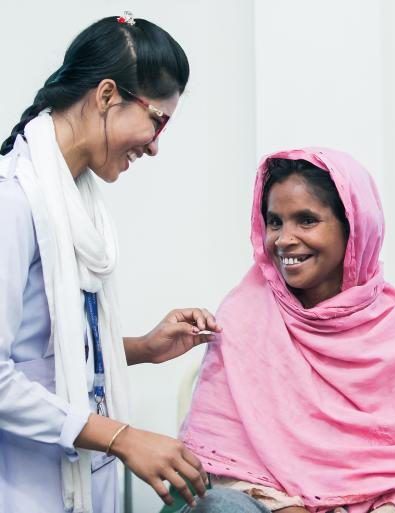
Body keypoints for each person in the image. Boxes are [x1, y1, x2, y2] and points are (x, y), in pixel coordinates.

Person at [0, 13, 224, 513]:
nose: (155, 145)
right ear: (106, 96)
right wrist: (122, 437)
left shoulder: (78, 204)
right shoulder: (12, 203)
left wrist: (142, 348)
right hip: (22, 485)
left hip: (80, 474)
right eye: (156, 120)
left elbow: (46, 356)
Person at [180, 148, 395, 513]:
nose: (284, 239)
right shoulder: (244, 317)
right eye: (274, 222)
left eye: (306, 220)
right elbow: (229, 463)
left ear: (353, 227)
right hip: (276, 508)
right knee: (220, 507)